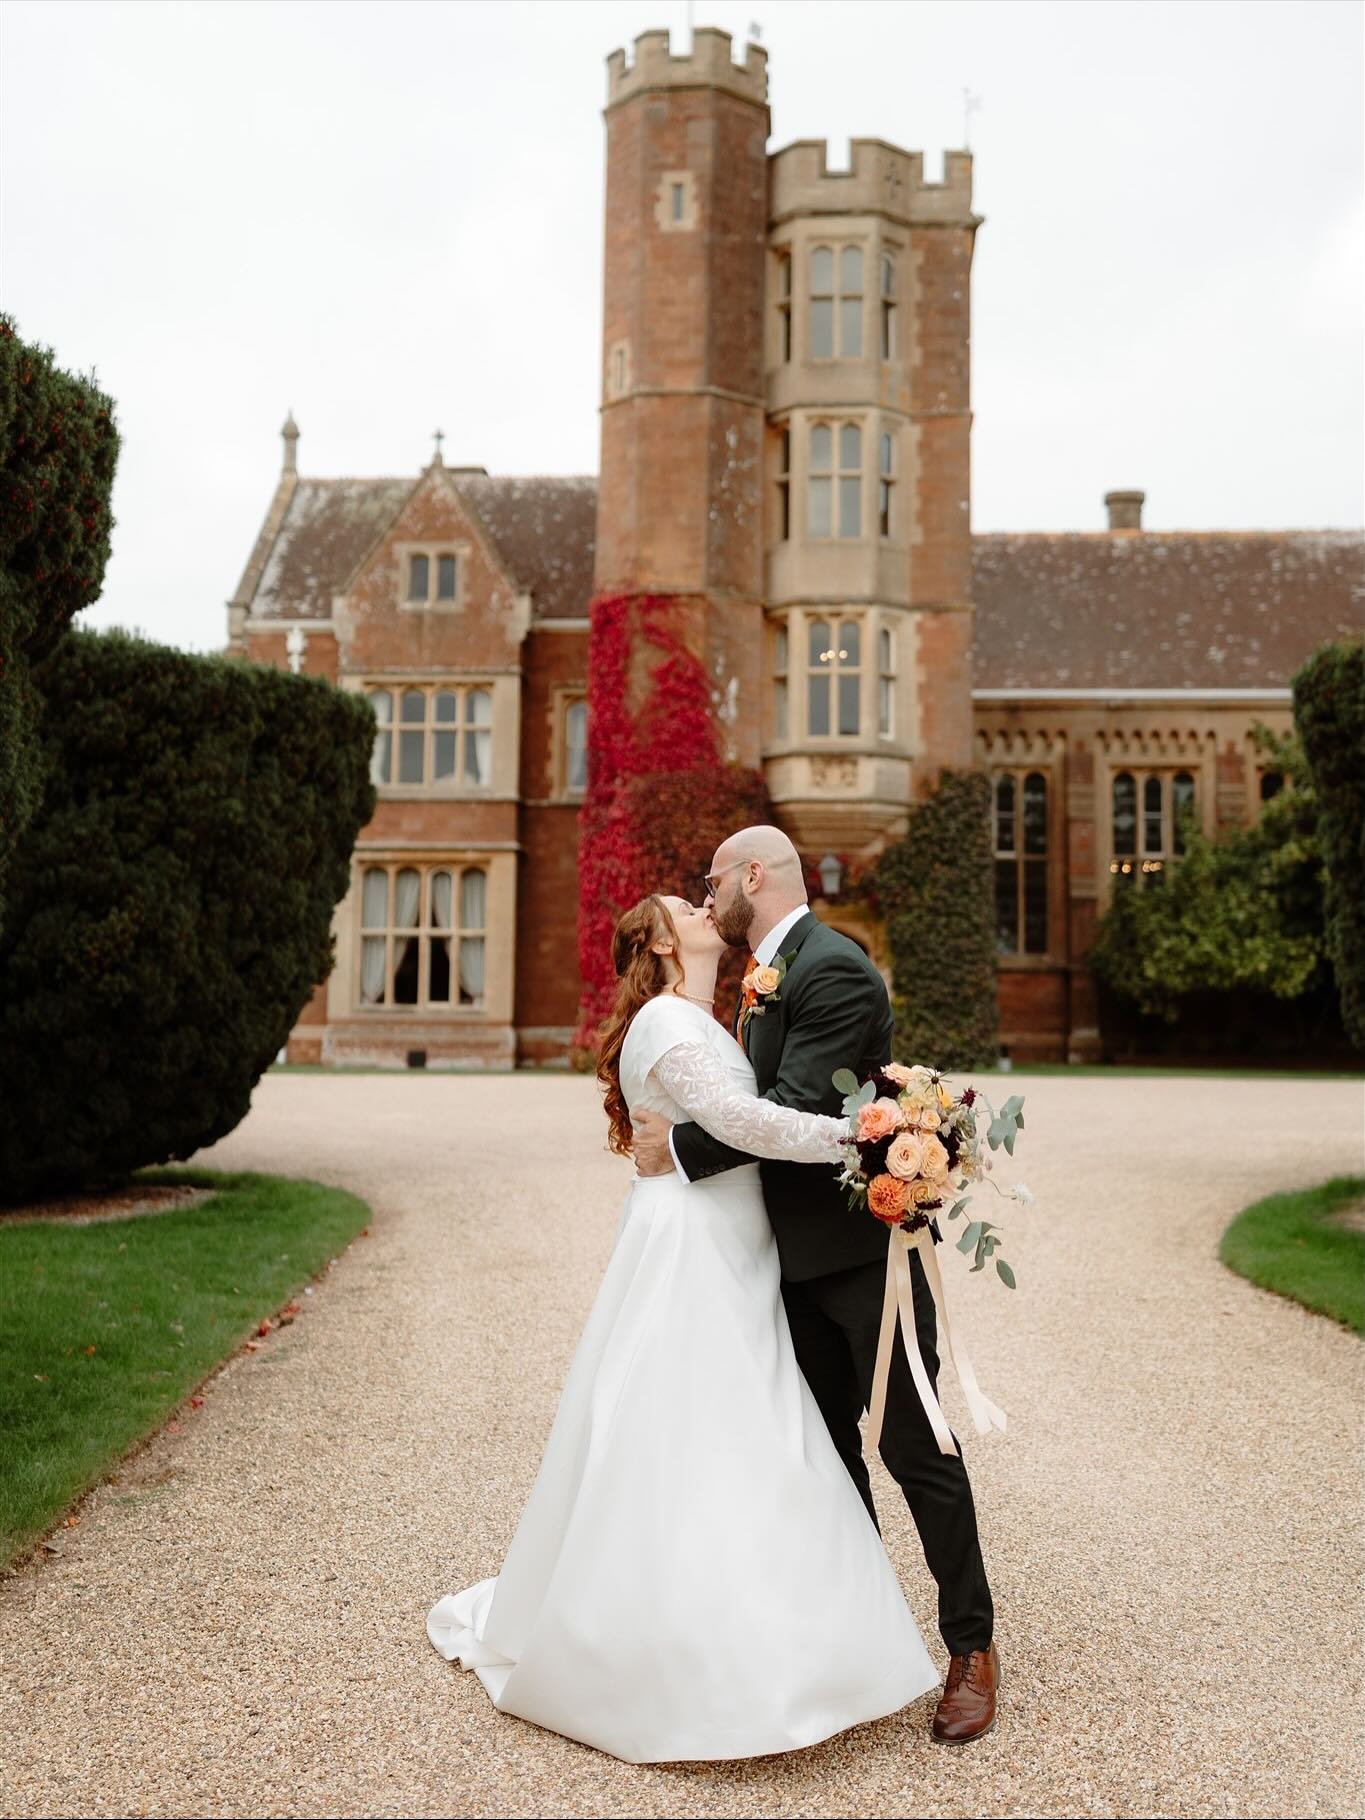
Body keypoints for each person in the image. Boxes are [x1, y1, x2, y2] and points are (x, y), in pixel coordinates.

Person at [426, 891, 940, 1763]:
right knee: (708, 1432)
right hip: (697, 1240)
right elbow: (740, 1123)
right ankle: (685, 1658)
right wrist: (862, 1137)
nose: (706, 906)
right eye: (686, 906)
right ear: (664, 942)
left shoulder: (715, 1018)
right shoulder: (667, 1017)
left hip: (739, 1238)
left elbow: (726, 1118)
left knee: (767, 1430)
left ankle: (796, 1639)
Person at [631, 827, 1000, 1745]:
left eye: (711, 877)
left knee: (915, 1448)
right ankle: (859, 1644)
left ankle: (972, 1648)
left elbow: (790, 1111)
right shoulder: (762, 977)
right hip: (785, 1263)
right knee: (827, 1461)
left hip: (858, 1257)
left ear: (752, 876)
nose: (704, 891)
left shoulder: (830, 967)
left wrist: (673, 1149)